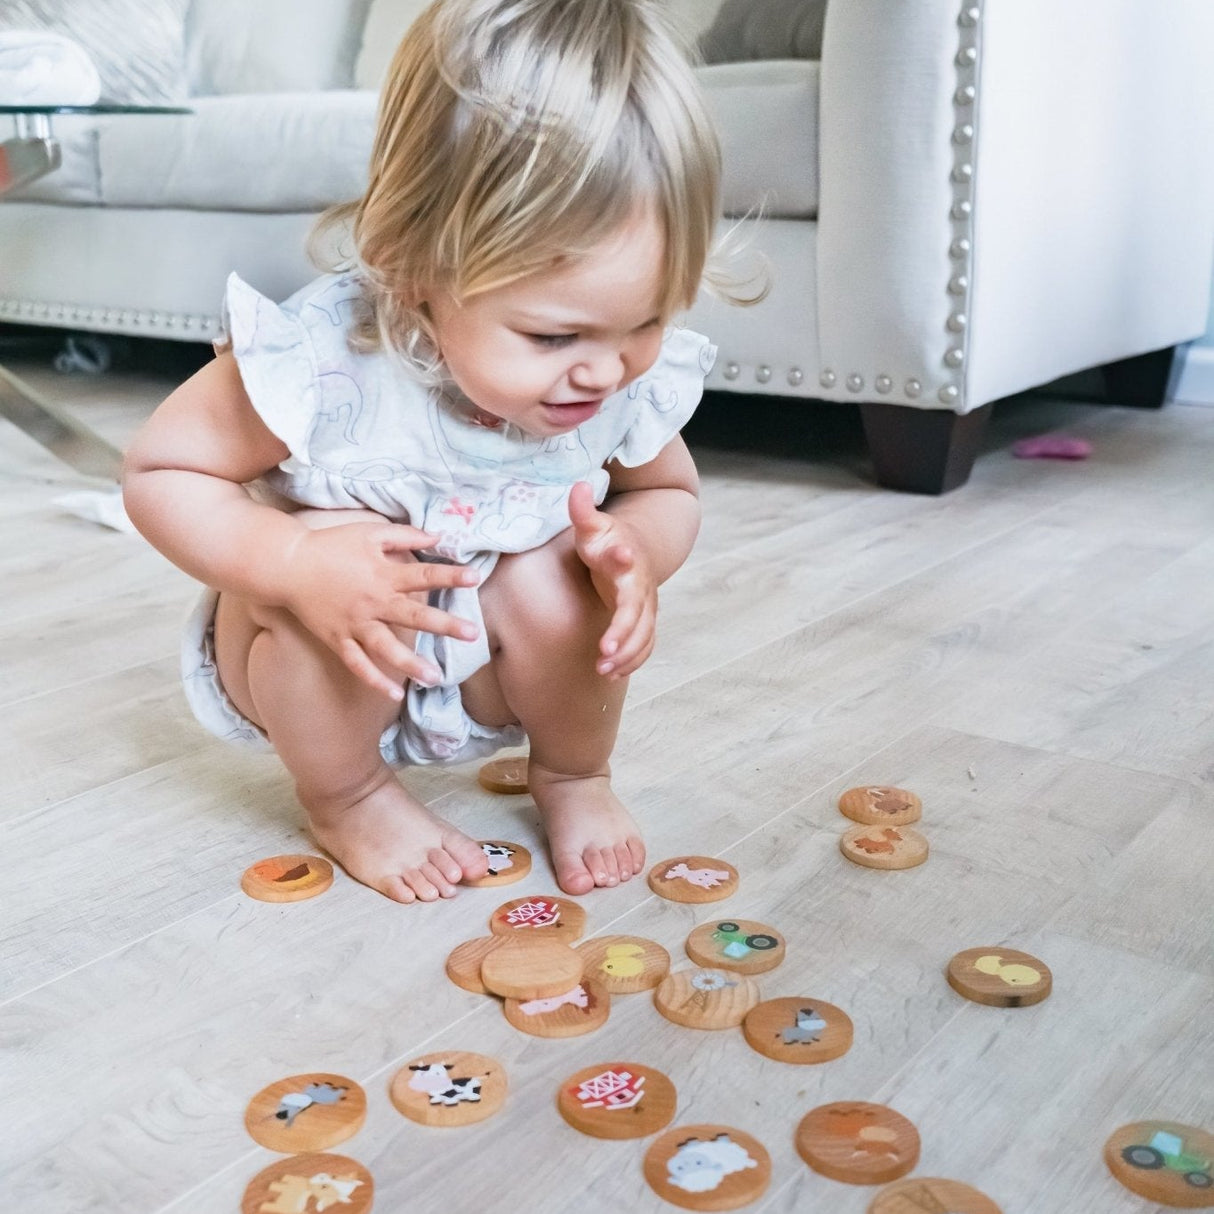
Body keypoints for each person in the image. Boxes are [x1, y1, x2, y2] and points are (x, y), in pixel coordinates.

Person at [123, 0, 753, 905]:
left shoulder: (610, 376)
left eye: (648, 320)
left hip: (489, 666)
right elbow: (160, 473)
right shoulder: (325, 362)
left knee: (559, 573)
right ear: (415, 272)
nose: (605, 371)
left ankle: (574, 774)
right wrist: (294, 558)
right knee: (332, 567)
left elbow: (671, 494)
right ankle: (346, 796)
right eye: (551, 335)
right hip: (320, 665)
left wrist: (636, 553)